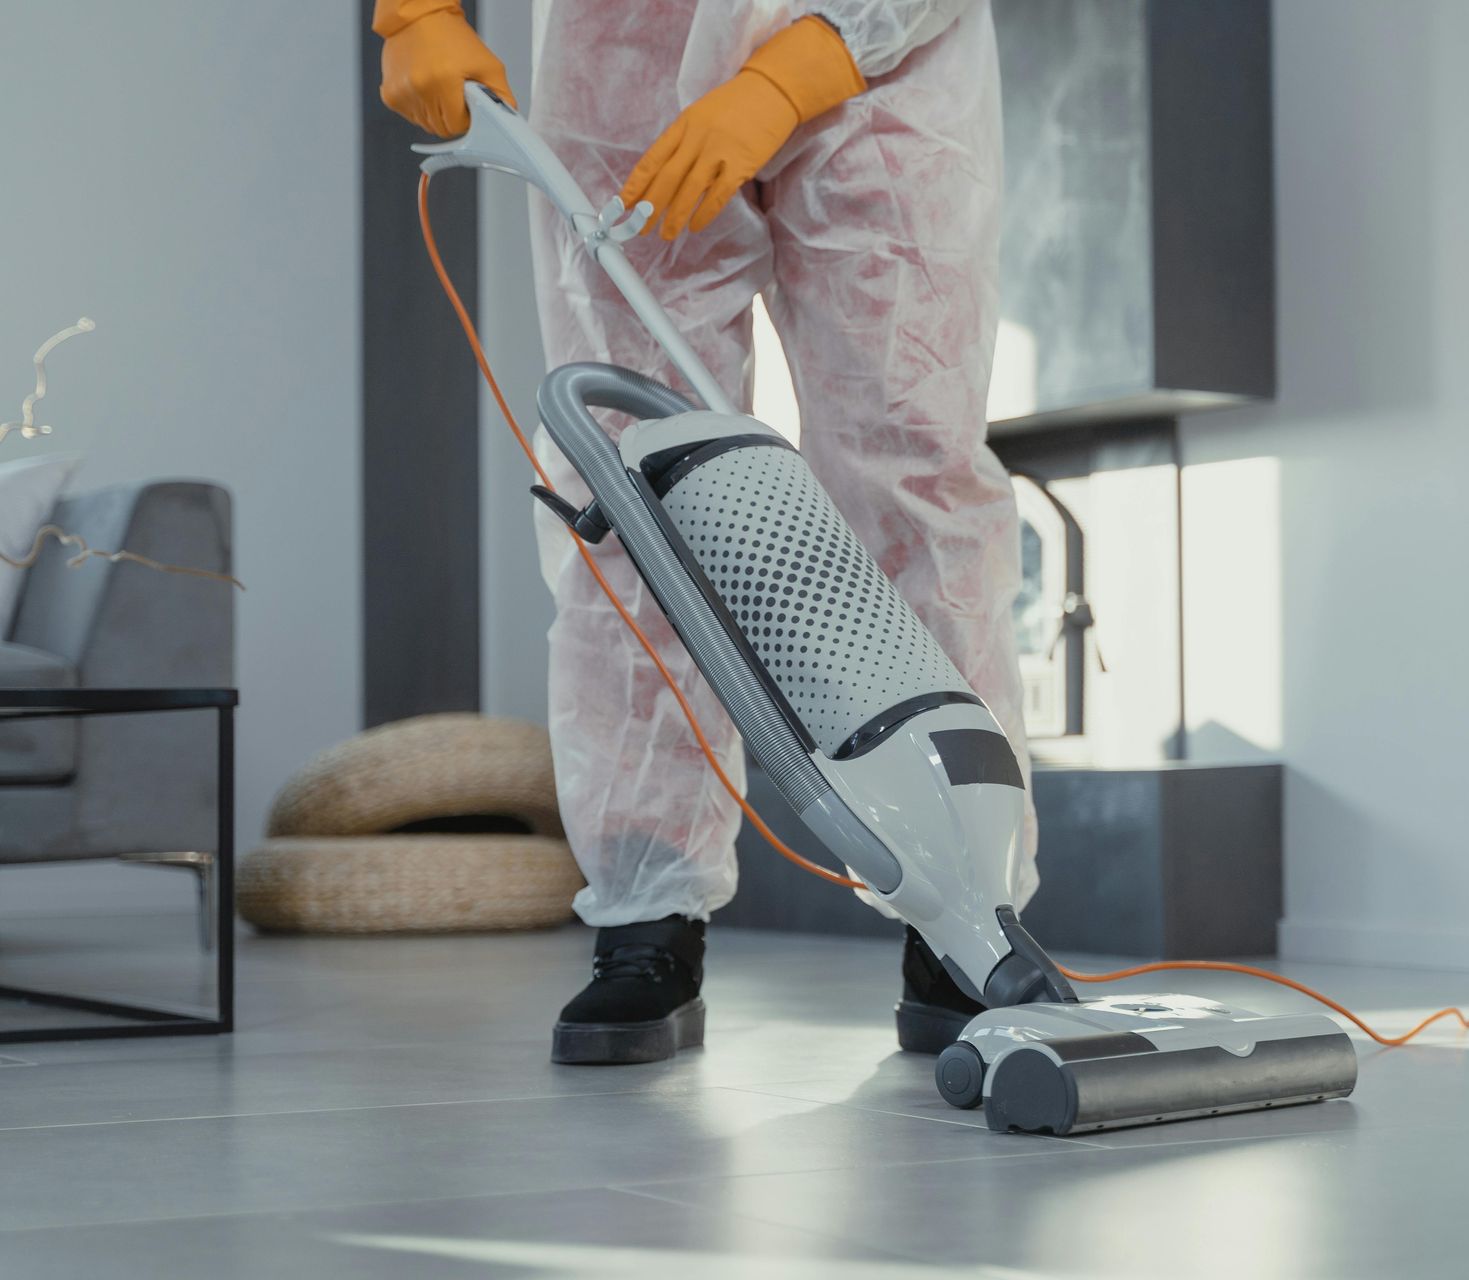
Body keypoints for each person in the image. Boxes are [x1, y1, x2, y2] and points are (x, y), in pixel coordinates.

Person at [374, 0, 1037, 1065]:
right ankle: (648, 913)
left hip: (889, 64)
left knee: (914, 474)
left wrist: (794, 72)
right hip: (624, 52)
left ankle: (962, 910)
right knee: (634, 482)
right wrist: (418, 11)